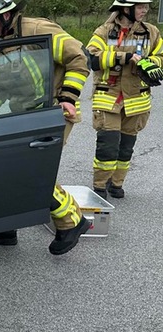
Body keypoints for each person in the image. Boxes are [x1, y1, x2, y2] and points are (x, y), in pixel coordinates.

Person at [0, 0, 92, 255]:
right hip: (23, 118)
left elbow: (78, 57)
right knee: (5, 170)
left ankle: (72, 222)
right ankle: (5, 228)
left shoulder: (36, 30)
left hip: (53, 112)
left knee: (33, 173)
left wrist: (68, 97)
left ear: (6, 15)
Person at [86, 0, 163, 199]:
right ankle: (100, 186)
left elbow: (161, 55)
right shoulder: (104, 31)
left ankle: (117, 184)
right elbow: (92, 59)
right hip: (109, 97)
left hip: (137, 100)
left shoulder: (151, 32)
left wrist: (150, 62)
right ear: (126, 9)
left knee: (126, 146)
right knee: (108, 144)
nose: (145, 10)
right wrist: (123, 57)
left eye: (146, 6)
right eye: (140, 7)